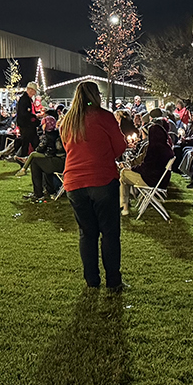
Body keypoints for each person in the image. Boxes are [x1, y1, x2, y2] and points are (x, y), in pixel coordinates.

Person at [58, 79, 127, 291]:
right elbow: (120, 146)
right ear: (96, 95)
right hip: (102, 179)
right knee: (109, 232)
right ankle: (113, 280)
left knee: (87, 233)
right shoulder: (104, 117)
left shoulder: (68, 121)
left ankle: (91, 280)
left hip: (74, 182)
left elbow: (67, 148)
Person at [119, 109, 174, 215]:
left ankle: (124, 206)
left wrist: (132, 169)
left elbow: (146, 167)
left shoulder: (154, 149)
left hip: (151, 180)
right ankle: (126, 203)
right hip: (160, 180)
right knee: (126, 173)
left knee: (123, 174)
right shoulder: (165, 147)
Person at [26, 111, 67, 201]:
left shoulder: (49, 136)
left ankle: (38, 193)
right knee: (43, 164)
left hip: (60, 162)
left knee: (35, 162)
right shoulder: (59, 133)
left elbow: (40, 149)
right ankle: (49, 190)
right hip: (64, 161)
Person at [15, 83, 39, 159]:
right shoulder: (24, 100)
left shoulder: (28, 99)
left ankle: (26, 156)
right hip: (26, 124)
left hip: (28, 124)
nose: (35, 93)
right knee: (27, 141)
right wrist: (34, 117)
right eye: (34, 91)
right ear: (30, 90)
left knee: (30, 141)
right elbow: (24, 113)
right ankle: (23, 156)